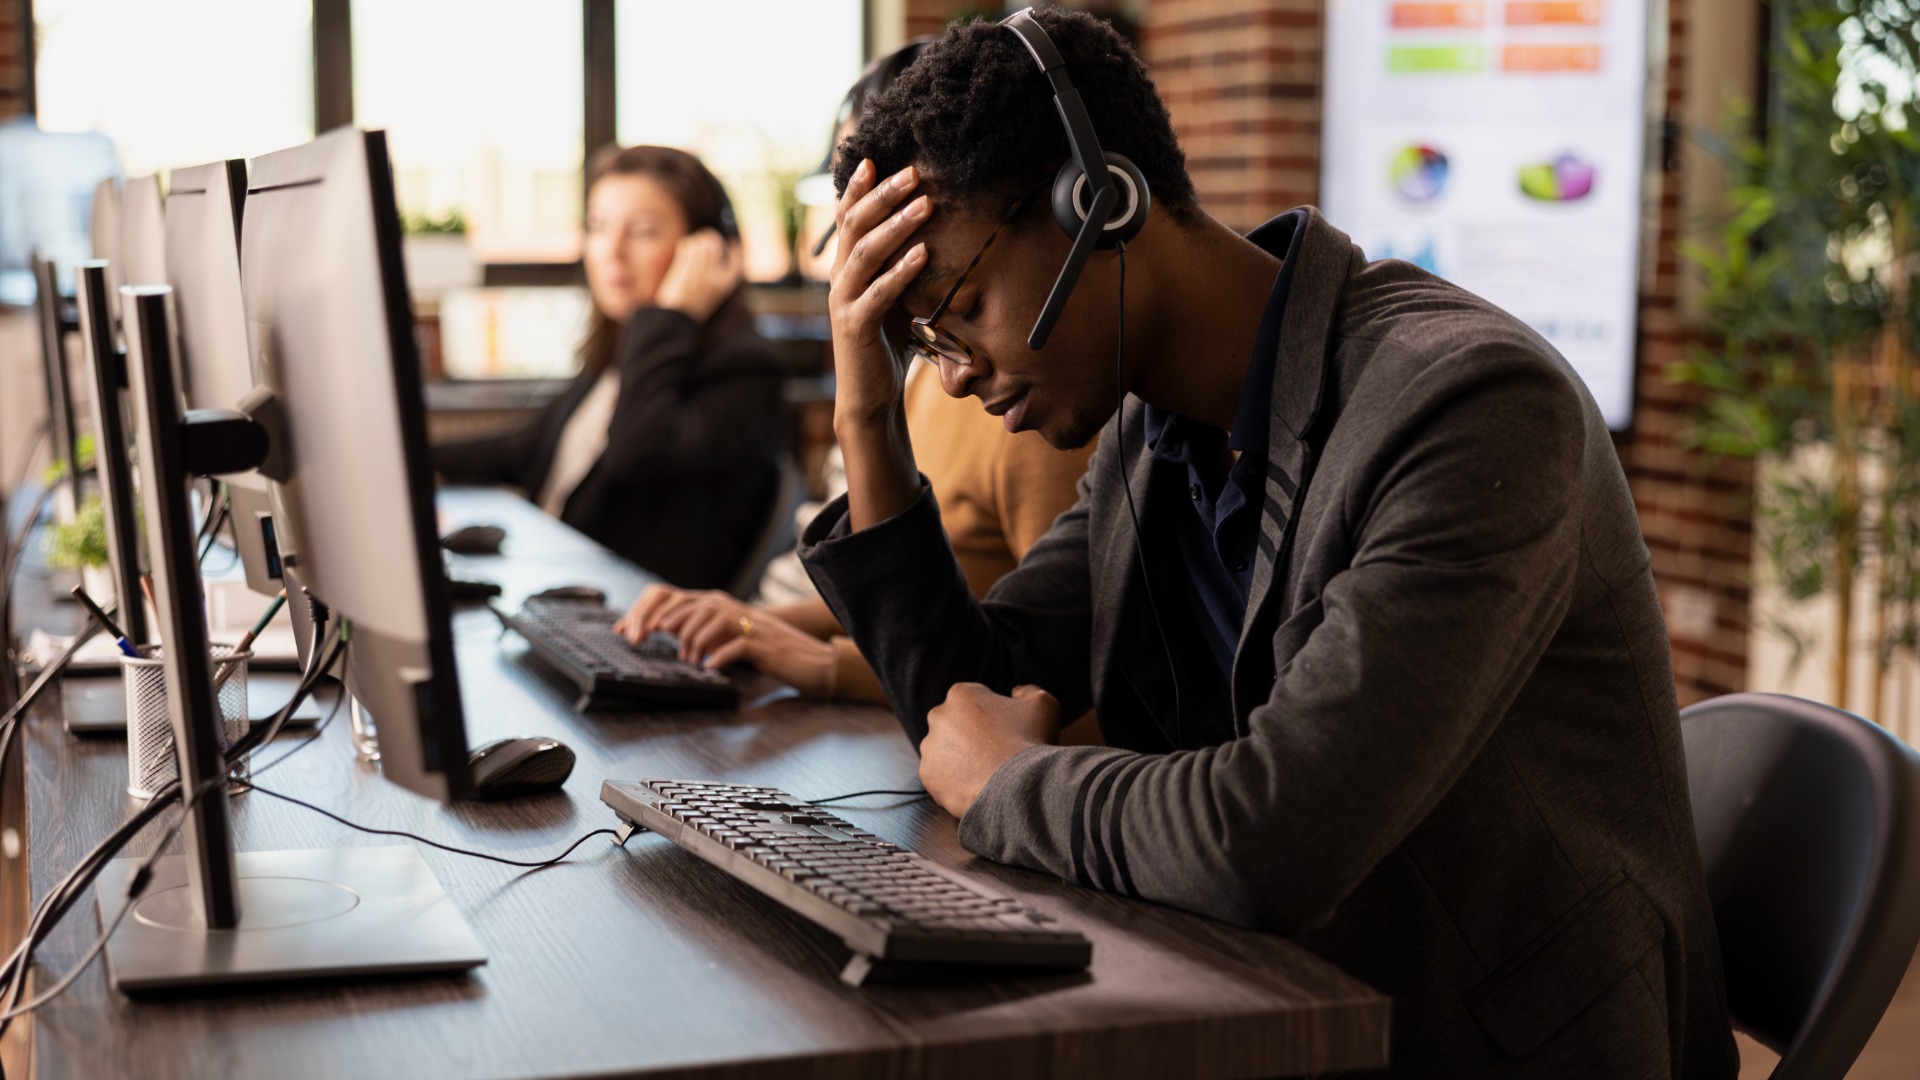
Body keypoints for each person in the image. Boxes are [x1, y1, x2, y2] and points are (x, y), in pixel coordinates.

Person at [794, 10, 1735, 1079]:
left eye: (954, 309)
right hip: (1271, 998)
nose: (952, 372)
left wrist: (1014, 779)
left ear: (1101, 201)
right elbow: (962, 706)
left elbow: (1278, 837)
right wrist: (866, 415)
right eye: (920, 341)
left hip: (1484, 1039)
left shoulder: (1469, 404)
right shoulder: (1155, 433)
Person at [616, 43, 1096, 706]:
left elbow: (1048, 674)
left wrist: (817, 662)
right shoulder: (935, 382)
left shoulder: (1032, 402)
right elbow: (921, 617)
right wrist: (749, 620)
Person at [434, 146, 785, 590]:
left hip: (632, 622)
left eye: (640, 231)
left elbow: (636, 451)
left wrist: (670, 316)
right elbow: (520, 450)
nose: (610, 252)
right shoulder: (620, 359)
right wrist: (406, 453)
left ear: (706, 249)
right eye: (598, 227)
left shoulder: (745, 372)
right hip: (557, 595)